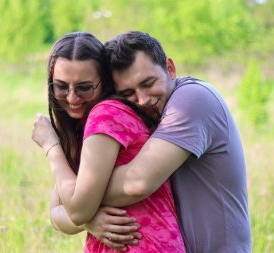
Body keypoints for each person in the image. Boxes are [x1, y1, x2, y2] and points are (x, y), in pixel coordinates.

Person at [92, 31, 252, 253]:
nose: (143, 99)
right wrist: (86, 216)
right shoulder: (150, 115)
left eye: (148, 82)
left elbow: (137, 183)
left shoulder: (192, 99)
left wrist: (81, 204)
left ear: (170, 68)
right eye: (128, 92)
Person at [31, 32, 186, 252]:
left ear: (105, 83)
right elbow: (57, 213)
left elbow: (75, 210)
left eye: (84, 87)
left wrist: (51, 146)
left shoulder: (106, 115)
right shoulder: (81, 128)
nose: (73, 98)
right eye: (61, 87)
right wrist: (89, 220)